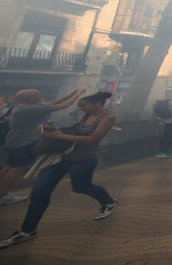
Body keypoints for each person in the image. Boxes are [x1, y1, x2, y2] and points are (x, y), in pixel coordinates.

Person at [1, 92, 119, 250]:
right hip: (60, 158)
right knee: (39, 192)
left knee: (81, 187)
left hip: (84, 159)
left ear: (98, 103)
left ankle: (108, 201)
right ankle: (27, 230)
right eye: (79, 106)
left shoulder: (108, 117)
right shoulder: (85, 116)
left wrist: (63, 136)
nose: (81, 109)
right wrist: (51, 131)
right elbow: (75, 132)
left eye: (84, 105)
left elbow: (94, 138)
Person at [0, 89, 85, 205]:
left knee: (9, 167)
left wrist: (69, 95)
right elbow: (62, 106)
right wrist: (78, 94)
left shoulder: (23, 107)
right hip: (22, 143)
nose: (41, 95)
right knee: (16, 169)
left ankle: (2, 191)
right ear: (30, 98)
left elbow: (52, 104)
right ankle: (3, 195)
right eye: (38, 94)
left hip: (15, 142)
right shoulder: (29, 109)